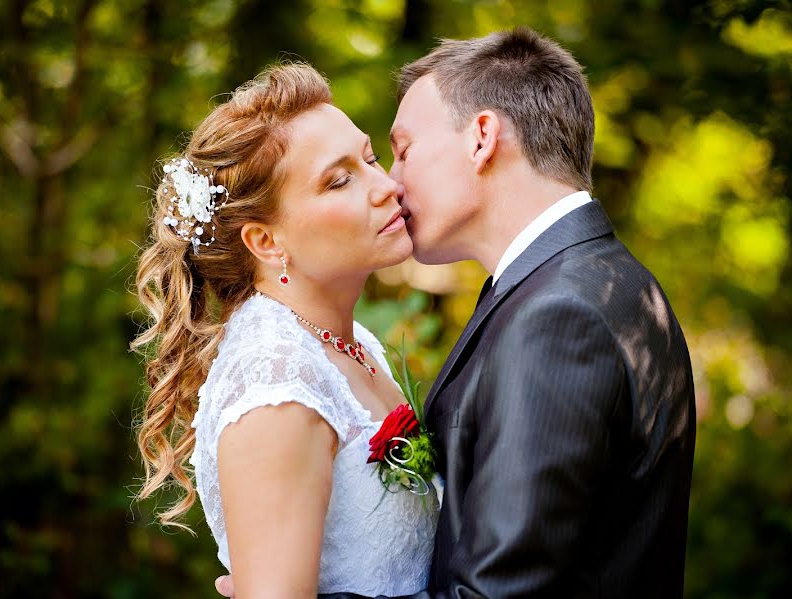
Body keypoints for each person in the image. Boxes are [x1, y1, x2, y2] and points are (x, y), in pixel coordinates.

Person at [217, 26, 696, 599]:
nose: (390, 182)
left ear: (482, 138)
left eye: (400, 151)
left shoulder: (559, 315)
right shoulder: (596, 285)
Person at [132, 62, 439, 598]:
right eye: (339, 180)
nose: (386, 186)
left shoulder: (352, 343)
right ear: (267, 243)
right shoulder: (278, 382)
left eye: (369, 159)